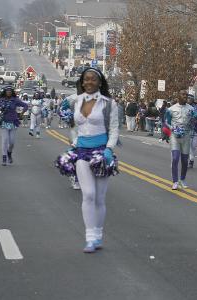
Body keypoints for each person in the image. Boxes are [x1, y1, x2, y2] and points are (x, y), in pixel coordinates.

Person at [70, 67, 119, 253]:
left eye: (93, 79)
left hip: (101, 152)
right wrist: (74, 143)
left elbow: (114, 130)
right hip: (82, 152)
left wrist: (108, 149)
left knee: (99, 197)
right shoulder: (76, 101)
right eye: (86, 79)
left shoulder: (108, 104)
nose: (89, 82)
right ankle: (90, 237)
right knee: (88, 194)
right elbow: (75, 127)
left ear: (99, 82)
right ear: (82, 82)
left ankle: (98, 234)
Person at [165, 89, 194, 190]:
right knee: (175, 158)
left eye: (186, 95)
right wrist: (172, 128)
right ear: (178, 96)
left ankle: (182, 179)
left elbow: (194, 121)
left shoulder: (191, 108)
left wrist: (195, 125)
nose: (185, 96)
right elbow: (166, 121)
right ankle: (175, 181)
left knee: (185, 160)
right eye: (183, 95)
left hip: (186, 136)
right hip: (175, 136)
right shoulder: (171, 109)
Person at [0, 86, 28, 166]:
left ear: (12, 92)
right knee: (4, 141)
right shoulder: (0, 101)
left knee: (12, 142)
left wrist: (22, 113)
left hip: (13, 123)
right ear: (5, 92)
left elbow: (25, 105)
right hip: (4, 123)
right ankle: (4, 158)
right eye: (7, 91)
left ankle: (9, 153)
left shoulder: (15, 100)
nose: (9, 92)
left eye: (10, 91)